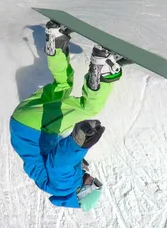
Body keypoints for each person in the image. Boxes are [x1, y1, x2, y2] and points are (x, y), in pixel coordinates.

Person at [9, 20, 122, 210]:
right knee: (63, 86)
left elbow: (59, 164)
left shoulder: (66, 185)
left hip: (35, 129)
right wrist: (78, 160)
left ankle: (103, 68)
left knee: (89, 108)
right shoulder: (56, 186)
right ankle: (56, 39)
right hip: (20, 121)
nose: (94, 179)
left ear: (83, 192)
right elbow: (54, 161)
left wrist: (78, 143)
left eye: (95, 185)